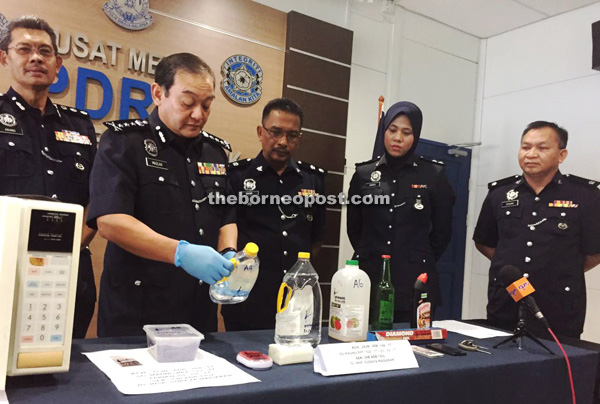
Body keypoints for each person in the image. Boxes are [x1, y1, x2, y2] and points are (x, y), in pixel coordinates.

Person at [87, 53, 237, 337]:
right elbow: (110, 221)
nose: (198, 115)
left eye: (206, 105)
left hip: (197, 309)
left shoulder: (214, 153)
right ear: (158, 93)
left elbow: (226, 214)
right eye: (188, 102)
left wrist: (229, 254)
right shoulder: (123, 143)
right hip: (137, 309)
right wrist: (180, 253)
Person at [0, 16, 97, 338]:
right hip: (5, 268)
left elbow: (97, 199)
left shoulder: (80, 126)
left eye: (45, 51)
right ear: (5, 57)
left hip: (68, 272)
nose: (36, 58)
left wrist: (68, 248)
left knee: (66, 369)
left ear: (58, 64)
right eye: (24, 49)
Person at [474, 121, 600, 338]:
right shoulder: (499, 194)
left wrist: (559, 270)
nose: (531, 154)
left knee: (557, 366)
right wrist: (510, 266)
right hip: (506, 302)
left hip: (559, 305)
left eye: (542, 148)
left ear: (561, 155)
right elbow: (484, 242)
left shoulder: (585, 196)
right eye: (525, 147)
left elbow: (595, 252)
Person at [221, 98, 326, 331]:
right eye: (275, 132)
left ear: (300, 138)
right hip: (248, 298)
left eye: (292, 135)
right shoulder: (237, 176)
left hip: (296, 299)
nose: (282, 142)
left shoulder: (313, 180)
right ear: (261, 132)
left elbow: (316, 238)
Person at [347, 101, 455, 323]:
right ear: (384, 131)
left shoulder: (433, 174)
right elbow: (354, 228)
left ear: (415, 136)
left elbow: (442, 232)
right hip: (370, 276)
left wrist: (416, 257)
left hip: (415, 279)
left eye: (406, 132)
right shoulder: (364, 173)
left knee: (415, 348)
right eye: (392, 130)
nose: (398, 138)